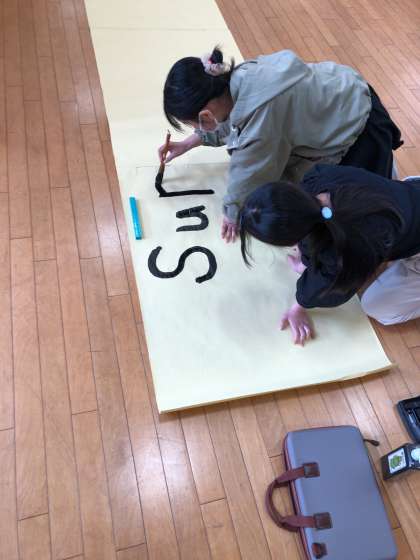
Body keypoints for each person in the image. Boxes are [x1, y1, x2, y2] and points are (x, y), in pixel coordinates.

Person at [160, 46, 403, 242]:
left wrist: (232, 214)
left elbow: (248, 174)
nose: (198, 130)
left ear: (205, 115)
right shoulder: (237, 81)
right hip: (342, 87)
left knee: (364, 213)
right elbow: (227, 122)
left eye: (195, 125)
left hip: (359, 125)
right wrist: (188, 144)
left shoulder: (260, 123)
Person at [238, 164, 420, 345]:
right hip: (411, 195)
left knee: (379, 309)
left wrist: (298, 307)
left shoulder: (344, 249)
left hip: (405, 231)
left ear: (292, 241)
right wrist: (306, 261)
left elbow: (330, 289)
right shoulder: (318, 176)